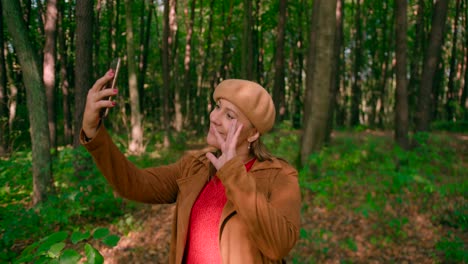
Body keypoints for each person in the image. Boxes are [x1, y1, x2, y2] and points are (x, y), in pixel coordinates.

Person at [81, 69, 302, 263]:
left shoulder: (280, 176)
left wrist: (234, 174)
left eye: (229, 115)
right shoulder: (196, 166)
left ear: (253, 133)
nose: (214, 117)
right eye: (217, 107)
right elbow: (133, 184)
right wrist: (94, 132)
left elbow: (279, 245)